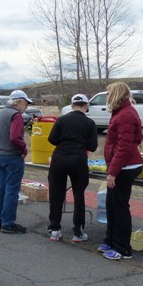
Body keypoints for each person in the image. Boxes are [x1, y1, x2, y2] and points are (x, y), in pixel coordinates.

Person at [99, 82, 143, 260]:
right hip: (119, 167)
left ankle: (122, 248)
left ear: (115, 94)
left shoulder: (126, 114)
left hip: (125, 168)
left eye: (109, 93)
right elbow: (135, 139)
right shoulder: (120, 112)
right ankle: (110, 240)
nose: (107, 96)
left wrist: (113, 172)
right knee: (111, 204)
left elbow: (124, 147)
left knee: (120, 207)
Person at [47, 94, 98, 243]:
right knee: (79, 195)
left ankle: (54, 229)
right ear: (86, 106)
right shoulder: (89, 123)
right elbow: (93, 146)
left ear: (72, 105)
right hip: (78, 159)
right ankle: (78, 231)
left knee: (56, 195)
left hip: (59, 158)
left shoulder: (61, 119)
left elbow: (52, 139)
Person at [0, 90, 34, 234]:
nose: (26, 106)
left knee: (0, 188)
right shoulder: (16, 116)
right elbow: (15, 137)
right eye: (25, 103)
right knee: (11, 190)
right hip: (12, 156)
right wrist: (24, 150)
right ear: (19, 102)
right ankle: (8, 223)